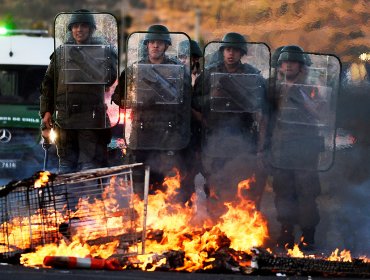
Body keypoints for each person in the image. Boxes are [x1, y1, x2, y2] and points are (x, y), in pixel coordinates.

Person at [192, 32, 269, 218]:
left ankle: (237, 223)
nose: (231, 54)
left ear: (241, 53)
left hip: (242, 140)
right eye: (227, 49)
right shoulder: (209, 74)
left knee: (241, 185)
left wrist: (260, 145)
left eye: (235, 50)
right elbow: (194, 104)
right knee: (213, 183)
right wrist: (211, 100)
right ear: (222, 51)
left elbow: (262, 110)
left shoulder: (253, 76)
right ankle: (215, 227)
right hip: (214, 139)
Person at [112, 25, 192, 197]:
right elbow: (118, 98)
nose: (156, 46)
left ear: (166, 46)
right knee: (139, 184)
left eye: (160, 43)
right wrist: (135, 100)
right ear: (147, 45)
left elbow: (187, 102)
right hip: (141, 132)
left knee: (167, 185)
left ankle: (164, 222)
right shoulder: (134, 69)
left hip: (167, 133)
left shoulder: (177, 71)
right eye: (152, 42)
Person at [40, 10, 118, 173]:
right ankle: (66, 198)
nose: (79, 29)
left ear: (91, 29)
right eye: (75, 26)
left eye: (83, 26)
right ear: (70, 29)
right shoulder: (61, 53)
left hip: (91, 119)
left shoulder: (103, 51)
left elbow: (109, 77)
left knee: (88, 167)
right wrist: (46, 112)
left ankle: (88, 199)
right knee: (66, 167)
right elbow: (49, 84)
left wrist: (87, 59)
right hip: (65, 118)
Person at [269, 45, 324, 251]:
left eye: (293, 61)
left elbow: (322, 114)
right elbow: (264, 116)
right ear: (280, 65)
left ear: (301, 66)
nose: (289, 64)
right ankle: (286, 232)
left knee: (307, 194)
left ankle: (308, 236)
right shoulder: (273, 88)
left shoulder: (313, 88)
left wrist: (300, 94)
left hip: (305, 152)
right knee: (283, 193)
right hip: (281, 150)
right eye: (285, 61)